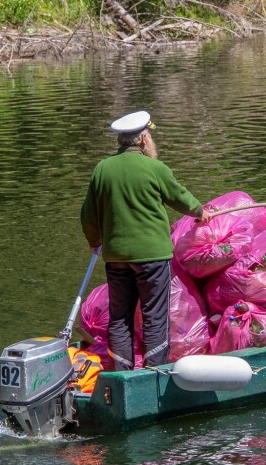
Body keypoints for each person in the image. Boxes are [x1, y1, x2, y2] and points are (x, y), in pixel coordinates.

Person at [80, 110, 209, 370]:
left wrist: (95, 241)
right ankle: (154, 375)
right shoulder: (154, 168)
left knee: (119, 318)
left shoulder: (102, 169)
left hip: (116, 258)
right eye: (149, 136)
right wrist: (200, 211)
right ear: (142, 140)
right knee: (155, 317)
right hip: (152, 257)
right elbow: (180, 197)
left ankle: (122, 377)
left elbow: (88, 215)